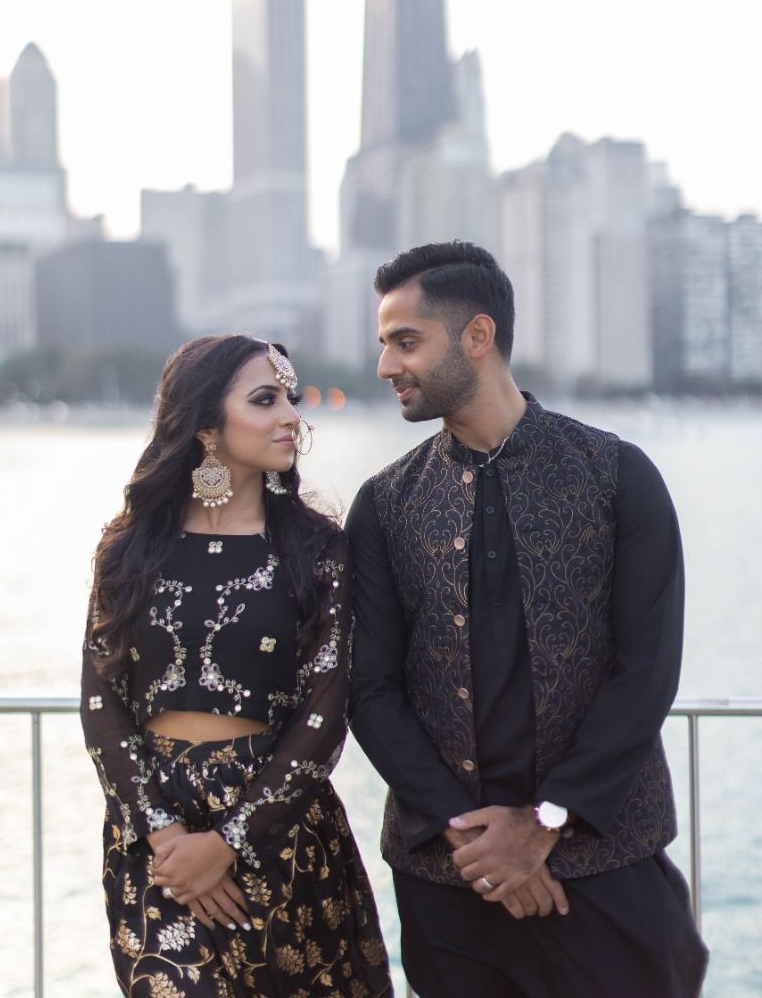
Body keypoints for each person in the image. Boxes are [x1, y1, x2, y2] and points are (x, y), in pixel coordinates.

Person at [346, 241, 708, 998]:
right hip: (450, 880)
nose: (385, 365)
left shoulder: (617, 476)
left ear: (477, 336)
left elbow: (645, 673)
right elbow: (371, 692)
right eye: (384, 343)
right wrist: (480, 844)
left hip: (606, 867)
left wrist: (542, 825)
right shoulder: (383, 505)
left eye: (405, 341)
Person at [81, 334, 392, 998]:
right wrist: (166, 836)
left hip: (280, 827)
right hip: (156, 842)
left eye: (290, 397)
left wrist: (227, 842)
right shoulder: (128, 549)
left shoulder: (317, 550)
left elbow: (326, 709)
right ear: (204, 425)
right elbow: (101, 699)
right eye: (265, 399)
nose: (292, 416)